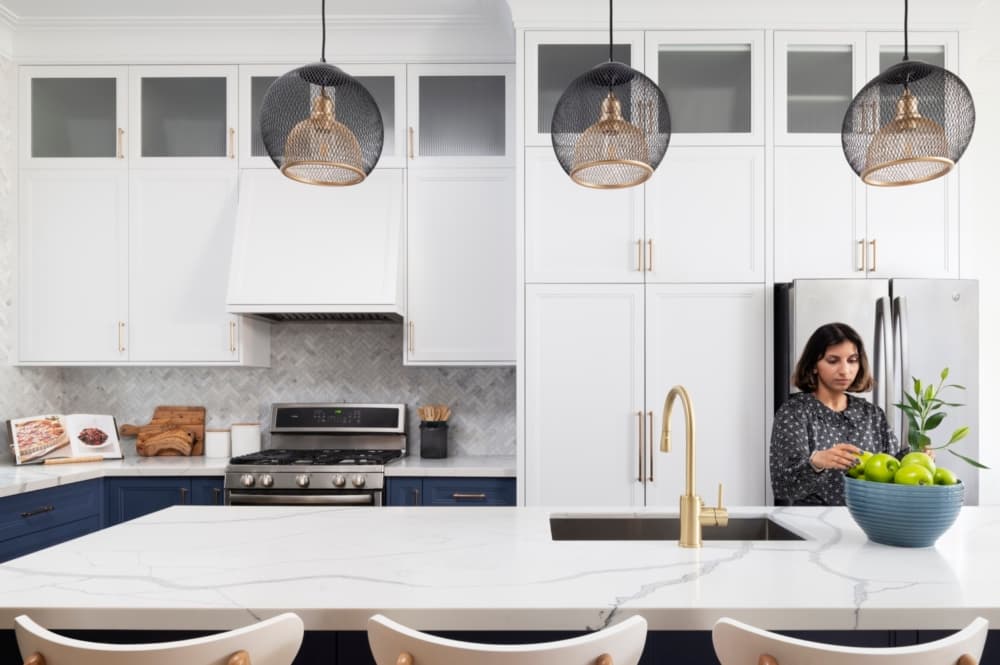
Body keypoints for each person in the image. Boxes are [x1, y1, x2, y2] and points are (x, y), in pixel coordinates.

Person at [770, 322, 905, 505]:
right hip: (811, 524)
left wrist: (917, 458)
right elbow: (783, 486)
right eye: (833, 361)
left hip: (870, 521)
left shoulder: (872, 414)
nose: (845, 370)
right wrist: (816, 463)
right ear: (814, 366)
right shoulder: (795, 412)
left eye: (852, 360)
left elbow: (894, 472)